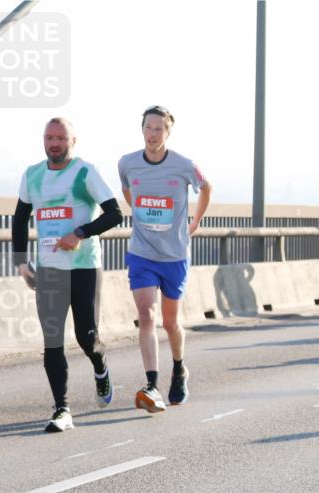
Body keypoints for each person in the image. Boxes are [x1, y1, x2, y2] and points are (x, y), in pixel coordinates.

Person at [12, 118, 123, 432]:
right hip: (49, 270)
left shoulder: (85, 172)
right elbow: (20, 218)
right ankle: (62, 409)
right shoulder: (32, 175)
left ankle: (99, 363)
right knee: (52, 341)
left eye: (61, 138)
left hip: (84, 267)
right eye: (49, 137)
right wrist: (21, 262)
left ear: (73, 141)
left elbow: (115, 212)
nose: (54, 143)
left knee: (87, 336)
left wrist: (81, 232)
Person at [119, 105, 211, 412]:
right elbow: (127, 190)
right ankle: (151, 385)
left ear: (168, 132)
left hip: (174, 255)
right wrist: (141, 216)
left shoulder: (184, 165)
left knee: (171, 323)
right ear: (142, 129)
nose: (153, 133)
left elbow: (206, 186)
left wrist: (194, 221)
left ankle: (179, 367)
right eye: (148, 127)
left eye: (159, 128)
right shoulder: (127, 163)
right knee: (147, 315)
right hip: (142, 252)